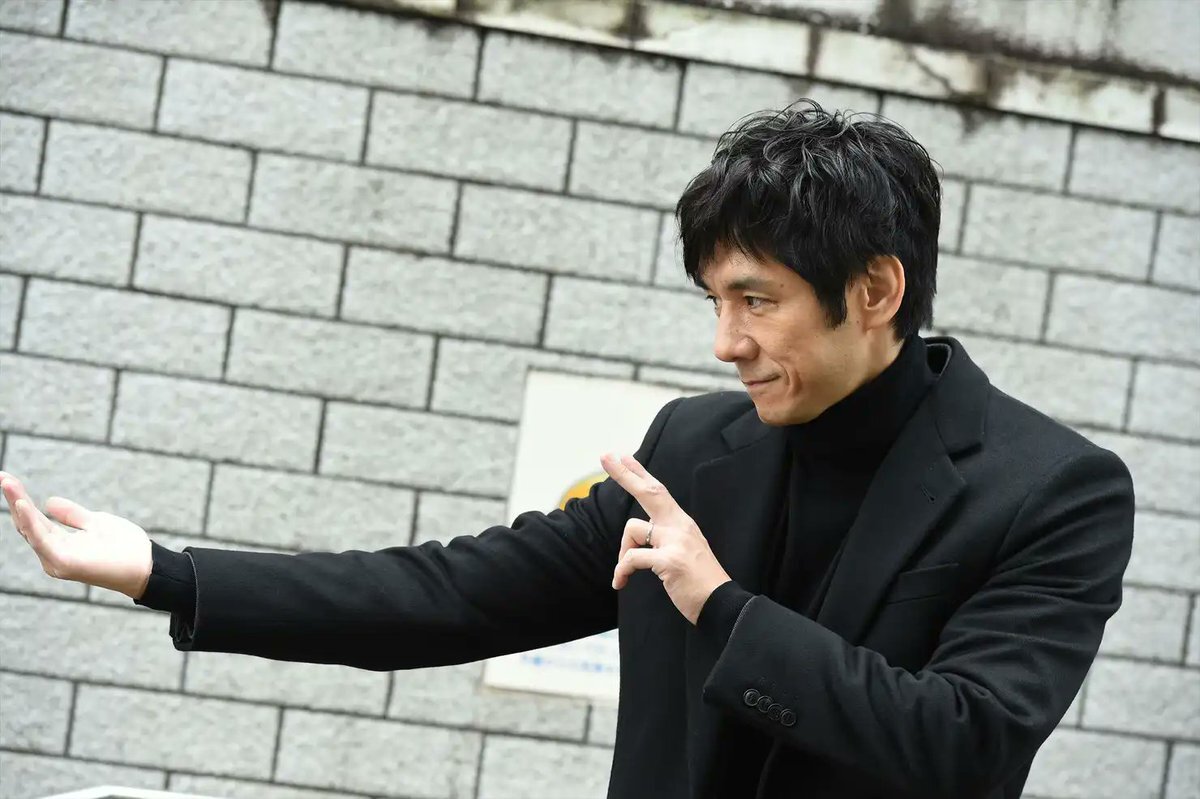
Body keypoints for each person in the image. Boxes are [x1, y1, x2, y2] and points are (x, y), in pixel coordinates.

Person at [1, 100, 1134, 799]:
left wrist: (721, 606)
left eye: (756, 299)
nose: (725, 341)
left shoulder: (1053, 490)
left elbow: (965, 743)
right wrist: (168, 571)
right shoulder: (693, 447)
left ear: (877, 290)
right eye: (714, 300)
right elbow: (456, 594)